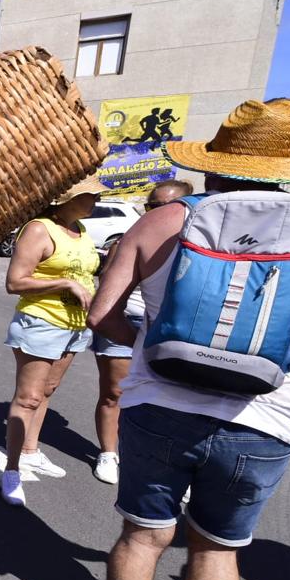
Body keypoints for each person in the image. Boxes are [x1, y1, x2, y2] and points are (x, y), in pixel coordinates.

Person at [86, 99, 290, 580]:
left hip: (160, 405)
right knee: (215, 547)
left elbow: (102, 316)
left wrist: (155, 343)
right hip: (265, 419)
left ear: (216, 163)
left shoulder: (162, 221)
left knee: (142, 535)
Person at [0, 176, 104, 506]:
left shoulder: (82, 231)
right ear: (64, 199)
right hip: (41, 323)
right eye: (89, 195)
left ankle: (31, 451)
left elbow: (85, 274)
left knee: (47, 391)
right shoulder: (39, 229)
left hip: (75, 326)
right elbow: (14, 282)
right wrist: (64, 284)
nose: (96, 200)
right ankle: (12, 470)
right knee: (28, 397)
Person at [90, 179, 193, 485]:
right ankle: (109, 453)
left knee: (168, 402)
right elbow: (106, 299)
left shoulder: (200, 246)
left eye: (167, 206)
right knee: (114, 393)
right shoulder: (130, 239)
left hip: (170, 333)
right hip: (126, 323)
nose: (157, 213)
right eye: (151, 206)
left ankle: (167, 468)